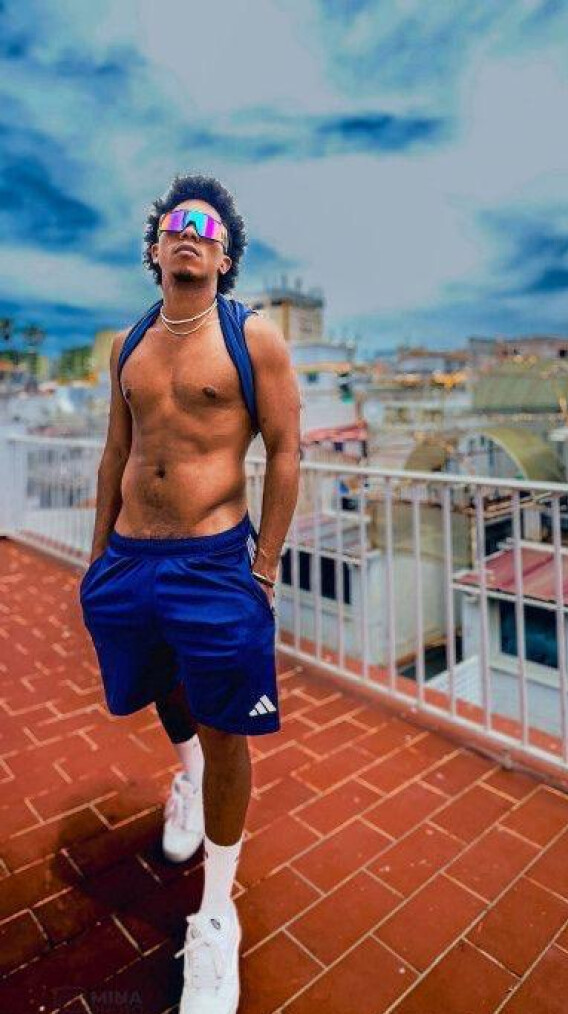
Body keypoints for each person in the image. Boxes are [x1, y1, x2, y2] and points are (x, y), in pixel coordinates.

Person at [78, 173, 301, 1014]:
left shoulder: (253, 338)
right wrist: (97, 558)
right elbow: (115, 452)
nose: (190, 236)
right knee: (159, 689)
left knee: (227, 725)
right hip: (131, 559)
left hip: (214, 562)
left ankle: (214, 916)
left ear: (226, 255)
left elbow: (286, 451)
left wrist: (264, 566)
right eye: (177, 225)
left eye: (207, 230)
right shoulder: (129, 343)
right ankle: (188, 776)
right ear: (155, 246)